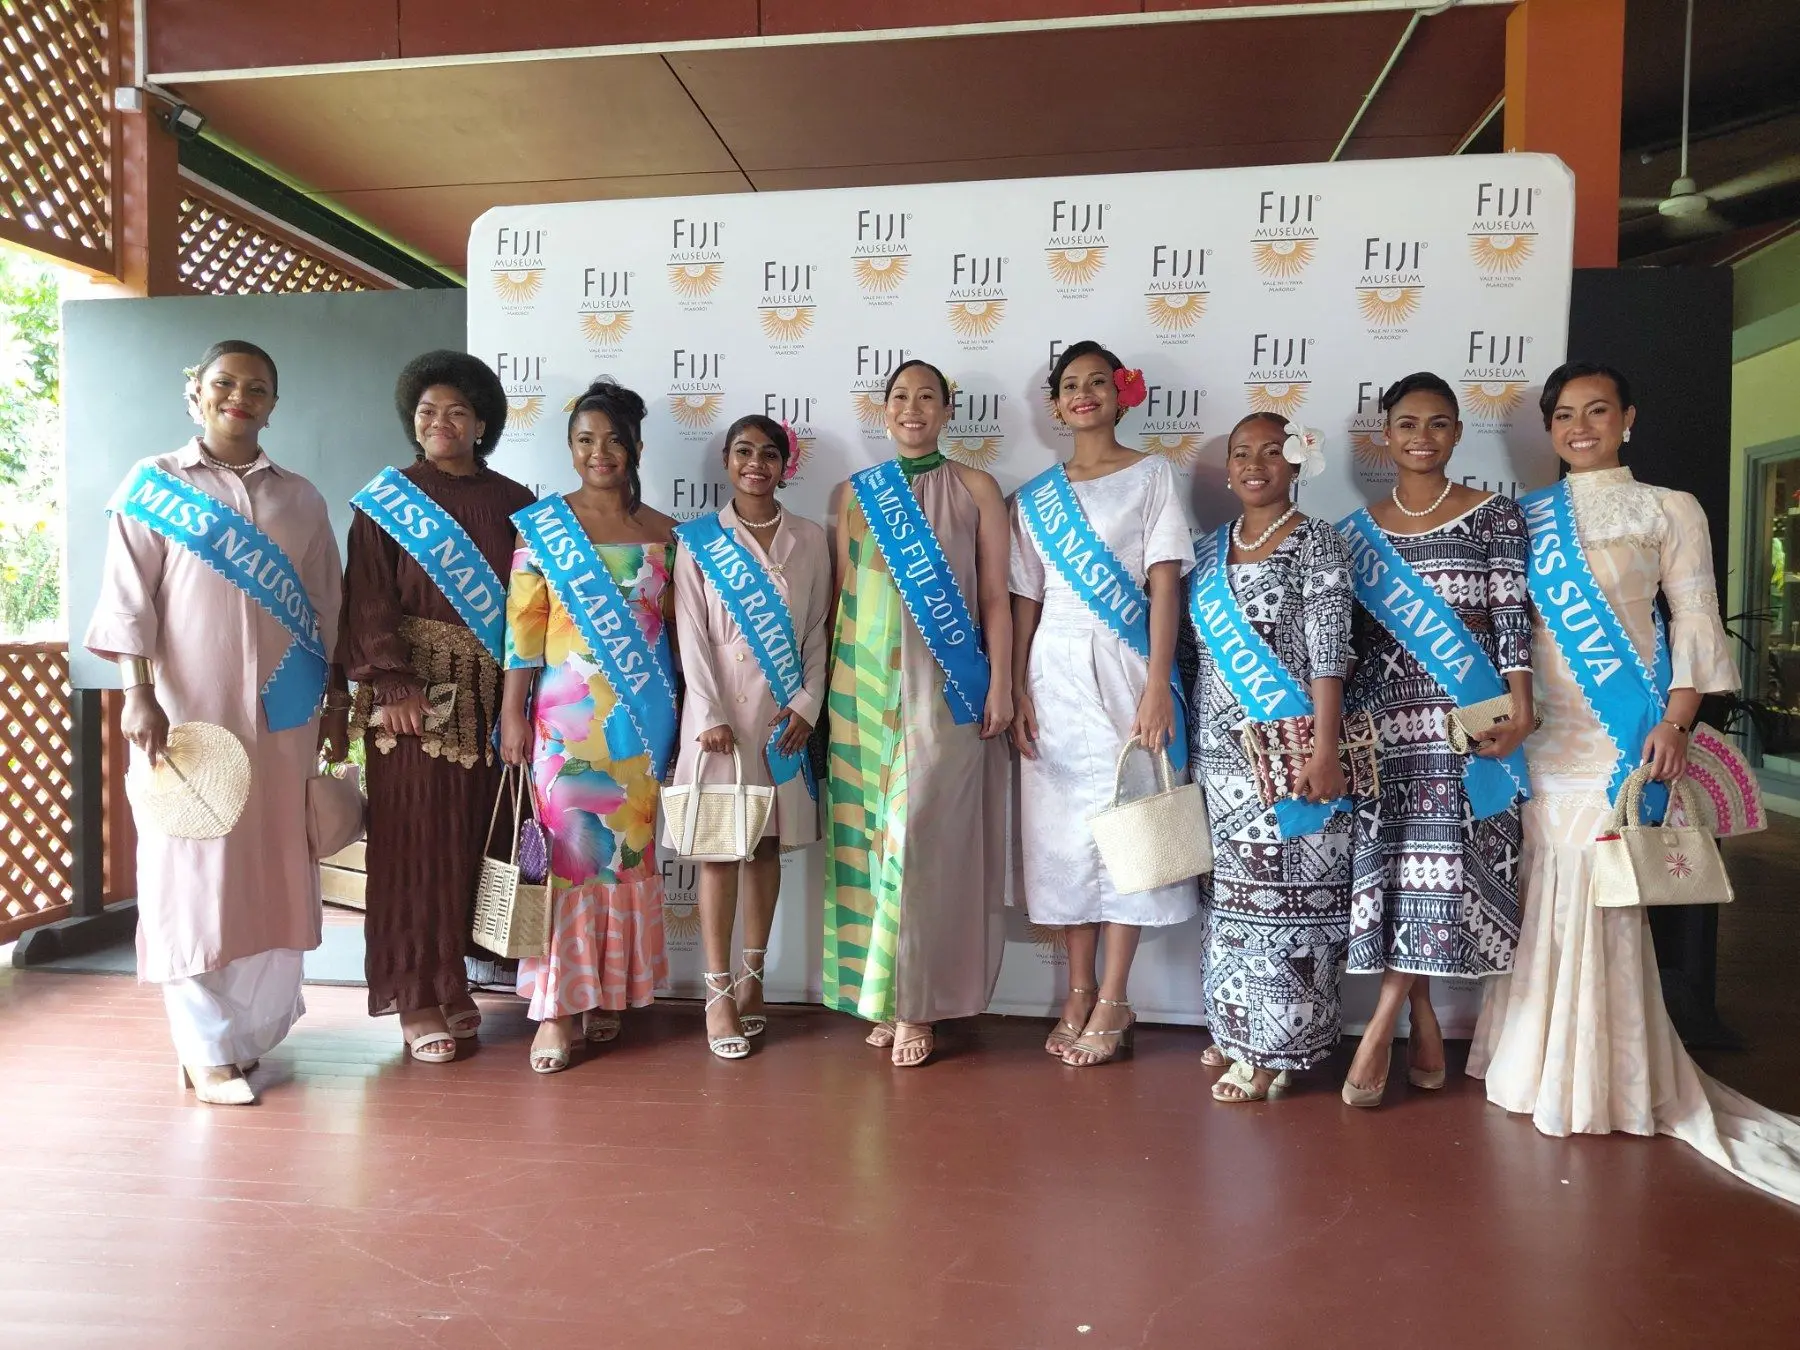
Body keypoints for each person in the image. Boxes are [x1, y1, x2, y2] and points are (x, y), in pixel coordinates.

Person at [1468, 362, 1800, 1204]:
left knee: (1600, 891)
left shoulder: (1669, 508)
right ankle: (1532, 1065)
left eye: (1598, 411)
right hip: (1545, 734)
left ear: (1628, 418)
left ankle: (1600, 1078)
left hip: (1624, 731)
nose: (1581, 427)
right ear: (1548, 429)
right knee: (1544, 888)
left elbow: (1692, 617)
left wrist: (1676, 724)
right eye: (1565, 415)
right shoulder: (1521, 515)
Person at [86, 340, 344, 1105]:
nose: (240, 396)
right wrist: (136, 691)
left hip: (285, 714)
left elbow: (325, 605)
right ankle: (202, 1048)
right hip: (186, 716)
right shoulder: (154, 484)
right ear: (195, 390)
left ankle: (244, 1036)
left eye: (258, 387)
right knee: (193, 874)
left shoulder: (301, 498)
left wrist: (328, 705)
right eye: (225, 382)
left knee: (272, 868)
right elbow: (129, 595)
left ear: (273, 402)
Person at [1338, 372, 1533, 1107]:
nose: (1423, 438)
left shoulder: (1494, 517)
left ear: (1456, 434)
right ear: (1386, 436)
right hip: (1388, 735)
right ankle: (1418, 1011)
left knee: (1441, 878)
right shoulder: (1357, 533)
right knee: (1398, 877)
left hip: (1466, 731)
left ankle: (1381, 1021)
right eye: (1408, 424)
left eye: (1440, 424)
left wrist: (1522, 706)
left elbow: (1513, 614)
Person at [338, 352, 534, 1063]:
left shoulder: (517, 501)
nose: (439, 423)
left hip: (490, 699)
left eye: (455, 412)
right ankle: (415, 995)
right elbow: (366, 594)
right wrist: (391, 684)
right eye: (426, 412)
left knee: (468, 843)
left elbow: (530, 606)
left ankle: (453, 983)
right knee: (414, 842)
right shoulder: (387, 500)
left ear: (482, 422)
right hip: (414, 698)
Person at [1010, 341, 1197, 1067]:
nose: (1083, 394)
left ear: (1121, 395)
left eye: (1097, 382)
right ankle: (1077, 990)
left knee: (1130, 824)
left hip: (1123, 664)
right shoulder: (1033, 497)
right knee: (1060, 836)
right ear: (1054, 405)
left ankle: (1117, 996)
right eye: (1069, 385)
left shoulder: (1152, 476)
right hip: (1052, 670)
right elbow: (1026, 595)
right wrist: (1019, 684)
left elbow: (1163, 583)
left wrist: (1157, 681)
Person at [821, 358, 1012, 1068]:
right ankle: (886, 993)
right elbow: (841, 597)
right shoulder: (851, 495)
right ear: (884, 408)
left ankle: (921, 1004)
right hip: (861, 692)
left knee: (924, 844)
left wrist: (1001, 683)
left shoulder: (976, 488)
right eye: (900, 396)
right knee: (871, 840)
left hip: (946, 692)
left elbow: (995, 595)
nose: (912, 407)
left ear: (946, 410)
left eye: (926, 397)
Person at [500, 379, 677, 1074]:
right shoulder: (540, 526)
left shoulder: (665, 534)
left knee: (625, 862)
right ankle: (556, 1010)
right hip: (562, 726)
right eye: (583, 440)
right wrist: (511, 714)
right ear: (568, 448)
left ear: (634, 446)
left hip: (640, 726)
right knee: (569, 863)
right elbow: (521, 632)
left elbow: (679, 643)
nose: (598, 453)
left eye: (611, 439)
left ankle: (607, 993)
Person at [1186, 413, 1356, 1102]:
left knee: (1290, 909)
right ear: (1227, 469)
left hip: (1291, 756)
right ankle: (1235, 1029)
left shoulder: (1319, 543)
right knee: (1233, 906)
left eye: (1270, 453)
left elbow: (1329, 655)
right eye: (1240, 454)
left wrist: (1323, 749)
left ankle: (1275, 1050)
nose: (1254, 465)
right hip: (1219, 763)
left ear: (1295, 465)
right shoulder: (1204, 553)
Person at [667, 414, 831, 1059]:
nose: (756, 463)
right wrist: (706, 712)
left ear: (785, 464)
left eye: (769, 453)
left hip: (780, 720)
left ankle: (754, 980)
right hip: (719, 723)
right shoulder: (698, 540)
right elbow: (691, 632)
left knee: (765, 847)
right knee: (717, 850)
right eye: (743, 451)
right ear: (727, 461)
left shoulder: (811, 538)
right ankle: (716, 992)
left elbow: (816, 630)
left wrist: (808, 704)